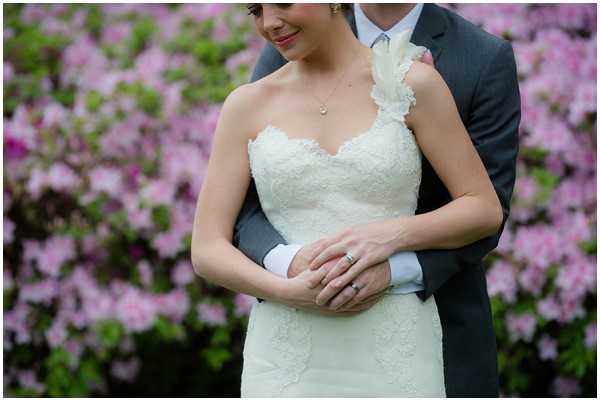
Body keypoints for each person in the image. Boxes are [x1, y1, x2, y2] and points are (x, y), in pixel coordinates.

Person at [191, 3, 519, 397]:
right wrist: (285, 289)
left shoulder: (413, 84)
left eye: (282, 3)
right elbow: (208, 246)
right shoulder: (247, 102)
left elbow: (483, 207)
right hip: (286, 350)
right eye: (256, 10)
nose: (270, 22)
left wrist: (387, 237)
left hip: (395, 342)